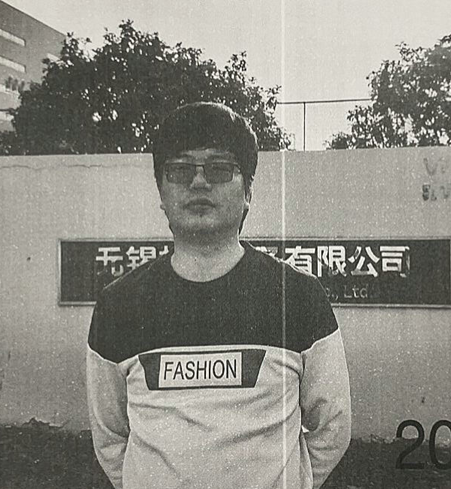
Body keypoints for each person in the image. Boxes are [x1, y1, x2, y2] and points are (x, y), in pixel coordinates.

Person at [85, 102, 352, 489]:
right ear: (161, 192)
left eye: (219, 169)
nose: (198, 183)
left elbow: (333, 425)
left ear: (248, 191)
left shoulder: (298, 296)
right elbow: (110, 437)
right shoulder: (119, 304)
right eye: (180, 170)